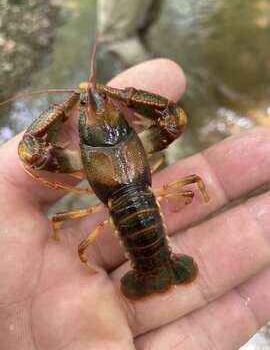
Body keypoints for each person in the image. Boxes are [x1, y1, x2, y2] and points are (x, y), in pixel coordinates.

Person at [0, 59, 269, 349]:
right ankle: (159, 266)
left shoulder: (78, 162)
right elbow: (172, 119)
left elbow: (32, 151)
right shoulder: (142, 142)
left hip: (124, 207)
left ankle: (149, 269)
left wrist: (64, 110)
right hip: (141, 198)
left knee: (65, 226)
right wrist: (118, 97)